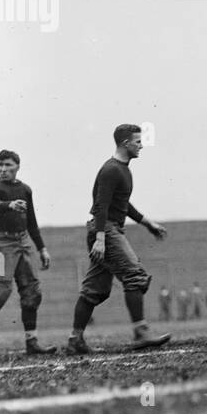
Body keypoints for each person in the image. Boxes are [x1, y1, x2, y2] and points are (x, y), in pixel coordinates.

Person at [68, 124, 170, 354]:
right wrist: (101, 239)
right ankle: (141, 331)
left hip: (106, 230)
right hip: (105, 230)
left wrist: (147, 223)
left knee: (96, 289)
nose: (141, 145)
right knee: (134, 275)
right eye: (137, 141)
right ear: (125, 143)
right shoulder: (111, 170)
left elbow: (123, 204)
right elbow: (101, 206)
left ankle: (75, 339)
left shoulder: (123, 170)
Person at [0, 150, 57, 356]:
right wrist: (10, 205)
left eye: (8, 165)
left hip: (22, 242)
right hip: (1, 244)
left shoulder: (25, 189)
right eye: (1, 165)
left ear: (17, 167)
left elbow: (31, 221)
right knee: (0, 293)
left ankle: (31, 341)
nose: (3, 169)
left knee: (32, 292)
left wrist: (42, 248)